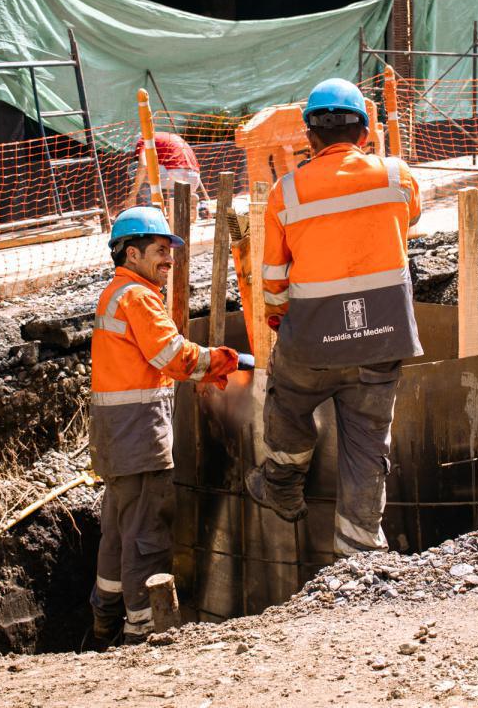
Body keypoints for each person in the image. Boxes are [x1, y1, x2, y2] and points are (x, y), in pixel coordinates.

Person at [244, 78, 423, 557]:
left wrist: (281, 321)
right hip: (382, 340)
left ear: (311, 137)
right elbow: (411, 218)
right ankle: (358, 550)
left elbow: (273, 281)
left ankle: (282, 484)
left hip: (312, 343)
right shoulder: (397, 175)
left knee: (287, 404)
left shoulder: (286, 193)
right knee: (368, 444)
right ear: (364, 132)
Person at [89, 207, 239, 645]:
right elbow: (172, 356)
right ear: (131, 253)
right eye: (160, 250)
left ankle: (104, 619)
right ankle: (141, 630)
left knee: (118, 533)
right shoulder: (137, 297)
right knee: (146, 536)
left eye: (170, 251)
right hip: (138, 435)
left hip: (115, 437)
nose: (169, 260)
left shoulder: (116, 293)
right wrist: (220, 361)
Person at [133, 131, 211, 217]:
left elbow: (143, 165)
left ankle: (153, 211)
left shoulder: (144, 140)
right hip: (194, 179)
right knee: (173, 208)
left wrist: (132, 196)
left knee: (134, 168)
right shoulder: (165, 136)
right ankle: (190, 202)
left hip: (175, 176)